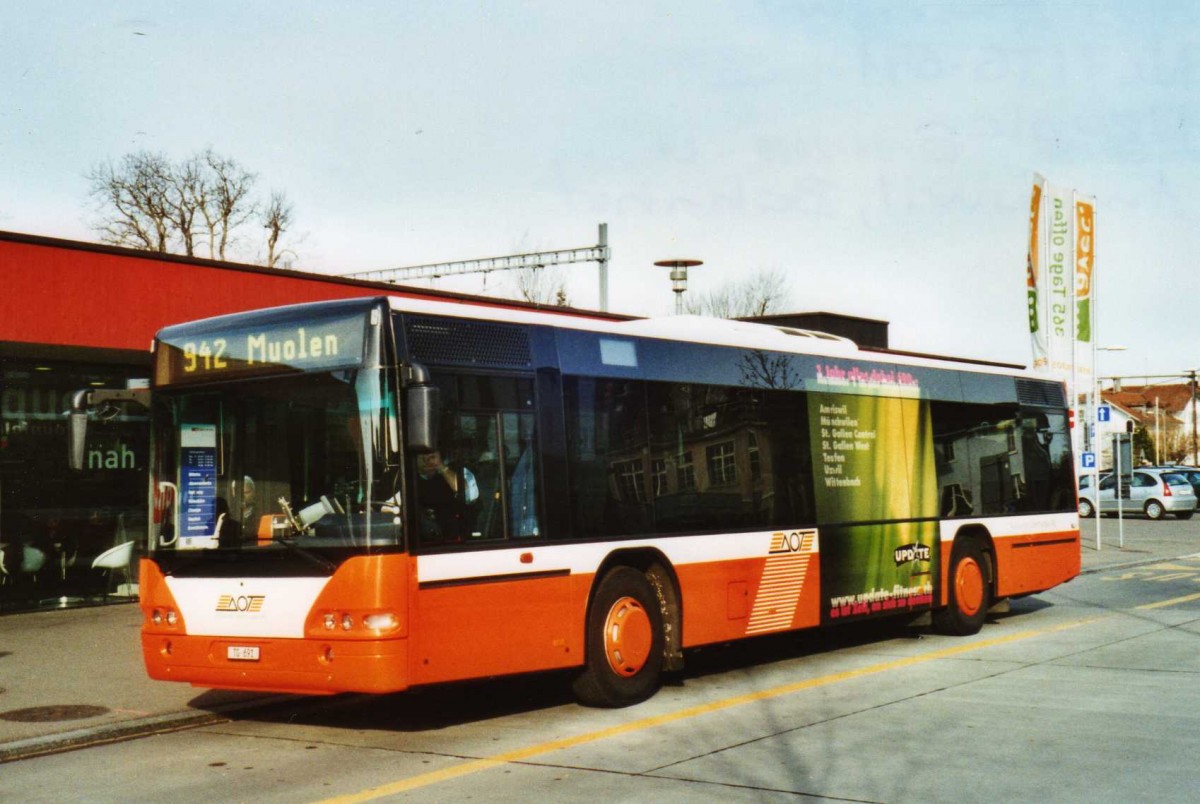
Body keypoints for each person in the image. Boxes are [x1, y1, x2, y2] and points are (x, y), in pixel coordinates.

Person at [415, 450, 478, 542]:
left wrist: (441, 467)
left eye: (431, 457)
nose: (427, 460)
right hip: (418, 539)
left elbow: (469, 494)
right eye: (422, 457)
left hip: (454, 540)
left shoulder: (458, 470)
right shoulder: (407, 477)